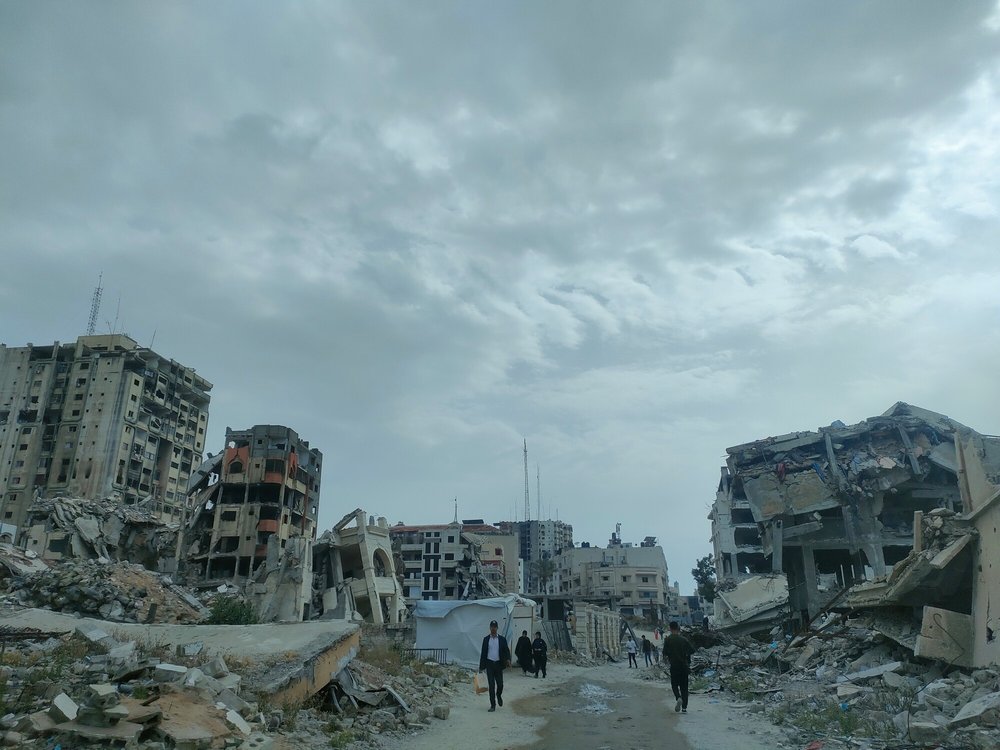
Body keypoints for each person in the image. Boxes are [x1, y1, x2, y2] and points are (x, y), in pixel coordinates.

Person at [662, 621, 695, 713]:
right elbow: (692, 650)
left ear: (670, 628)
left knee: (674, 685)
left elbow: (664, 653)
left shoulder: (668, 640)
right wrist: (686, 655)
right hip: (684, 667)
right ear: (678, 628)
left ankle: (678, 697)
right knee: (684, 687)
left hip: (674, 666)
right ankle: (684, 708)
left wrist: (668, 658)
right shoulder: (683, 639)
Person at [479, 619, 511, 712]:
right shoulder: (486, 639)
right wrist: (481, 667)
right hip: (489, 665)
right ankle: (493, 705)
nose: (493, 629)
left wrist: (508, 659)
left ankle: (499, 695)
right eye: (492, 627)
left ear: (497, 628)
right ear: (490, 628)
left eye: (495, 627)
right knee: (491, 686)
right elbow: (483, 653)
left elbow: (506, 650)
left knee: (500, 684)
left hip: (498, 665)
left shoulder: (502, 639)